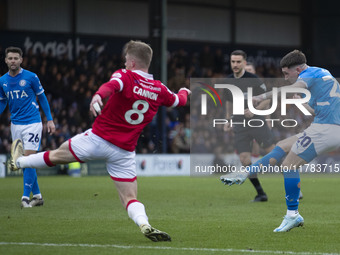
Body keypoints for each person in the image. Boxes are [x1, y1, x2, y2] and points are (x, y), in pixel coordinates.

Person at [9, 40, 191, 242]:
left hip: (98, 139)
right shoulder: (159, 89)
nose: (123, 64)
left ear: (131, 62)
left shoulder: (125, 76)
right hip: (124, 152)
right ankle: (144, 223)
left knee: (58, 154)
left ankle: (19, 162)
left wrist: (97, 96)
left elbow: (110, 86)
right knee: (129, 198)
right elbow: (179, 100)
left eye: (125, 60)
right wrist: (185, 90)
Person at [221, 50, 340, 232]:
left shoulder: (307, 74)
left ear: (298, 69)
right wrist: (302, 103)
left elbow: (291, 88)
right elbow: (315, 110)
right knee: (282, 146)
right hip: (329, 127)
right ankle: (246, 173)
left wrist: (262, 96)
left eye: (286, 73)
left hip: (325, 129)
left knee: (289, 166)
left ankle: (292, 215)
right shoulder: (322, 73)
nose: (285, 78)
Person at [0, 46, 55, 208]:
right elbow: (3, 101)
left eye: (16, 58)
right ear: (5, 60)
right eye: (10, 58)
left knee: (28, 159)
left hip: (33, 123)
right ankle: (37, 196)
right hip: (15, 125)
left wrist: (49, 120)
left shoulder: (31, 77)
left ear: (21, 60)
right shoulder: (2, 81)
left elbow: (42, 98)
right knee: (23, 161)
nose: (13, 61)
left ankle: (25, 197)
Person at [221, 50, 275, 202]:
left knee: (274, 154)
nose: (235, 65)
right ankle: (260, 193)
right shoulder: (228, 81)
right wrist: (227, 120)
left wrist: (254, 110)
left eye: (238, 62)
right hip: (239, 124)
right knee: (244, 159)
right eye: (233, 62)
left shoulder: (254, 79)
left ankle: (293, 185)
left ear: (244, 62)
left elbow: (267, 100)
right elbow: (228, 104)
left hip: (257, 122)